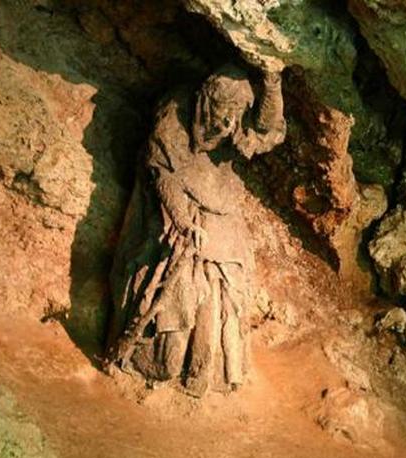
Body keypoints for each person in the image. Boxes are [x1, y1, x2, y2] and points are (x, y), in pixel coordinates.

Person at [105, 65, 285, 396]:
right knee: (180, 284)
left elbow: (265, 128)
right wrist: (182, 222)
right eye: (221, 114)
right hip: (176, 205)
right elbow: (163, 174)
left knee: (227, 285)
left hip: (220, 199)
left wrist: (272, 85)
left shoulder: (234, 118)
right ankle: (153, 357)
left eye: (234, 117)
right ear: (204, 101)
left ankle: (206, 370)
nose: (226, 125)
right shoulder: (174, 114)